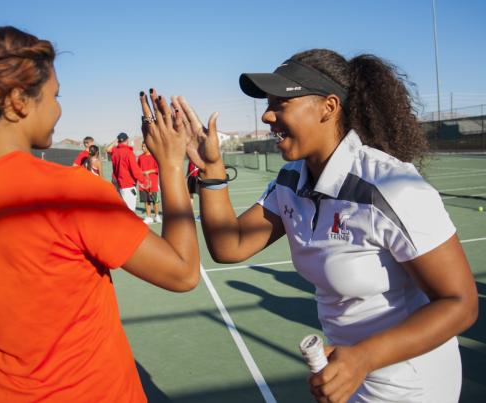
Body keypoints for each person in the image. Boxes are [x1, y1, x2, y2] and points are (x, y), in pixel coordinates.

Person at [0, 26, 199, 402]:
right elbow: (183, 272)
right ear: (18, 101)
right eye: (54, 95)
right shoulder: (69, 191)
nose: (59, 107)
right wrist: (172, 165)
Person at [171, 49, 478, 402]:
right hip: (345, 376)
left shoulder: (389, 188)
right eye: (268, 104)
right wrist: (211, 171)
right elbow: (231, 245)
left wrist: (363, 358)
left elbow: (460, 302)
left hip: (412, 385)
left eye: (281, 103)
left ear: (328, 107)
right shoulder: (291, 180)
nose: (268, 115)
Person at [107, 132, 146, 211]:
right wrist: (143, 181)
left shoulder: (115, 151)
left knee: (122, 211)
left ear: (118, 141)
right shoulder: (128, 152)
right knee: (130, 212)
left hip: (118, 185)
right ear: (127, 140)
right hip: (128, 185)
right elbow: (135, 170)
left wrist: (114, 142)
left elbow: (107, 149)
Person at [137, 142, 161, 224]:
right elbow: (138, 168)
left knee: (155, 200)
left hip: (153, 182)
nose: (143, 148)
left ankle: (157, 216)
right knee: (146, 200)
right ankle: (148, 216)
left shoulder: (155, 157)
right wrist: (141, 173)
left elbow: (158, 169)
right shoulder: (140, 157)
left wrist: (149, 171)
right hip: (143, 183)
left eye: (144, 146)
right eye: (142, 146)